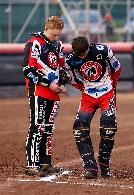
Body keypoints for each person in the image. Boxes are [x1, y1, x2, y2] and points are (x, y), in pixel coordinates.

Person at [64, 36, 121, 179]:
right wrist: (83, 87)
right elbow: (72, 78)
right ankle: (90, 166)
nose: (83, 56)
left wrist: (112, 87)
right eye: (80, 55)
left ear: (89, 47)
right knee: (79, 129)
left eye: (84, 53)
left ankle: (104, 165)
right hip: (88, 95)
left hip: (106, 93)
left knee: (108, 129)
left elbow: (116, 68)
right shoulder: (70, 60)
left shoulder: (103, 50)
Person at [23, 16, 67, 176]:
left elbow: (62, 67)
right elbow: (27, 70)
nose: (56, 37)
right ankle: (32, 165)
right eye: (54, 34)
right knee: (37, 127)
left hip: (54, 93)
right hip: (39, 91)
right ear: (46, 28)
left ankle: (45, 162)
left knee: (48, 128)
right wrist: (48, 84)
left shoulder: (58, 45)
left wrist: (62, 83)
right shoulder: (34, 43)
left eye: (58, 35)